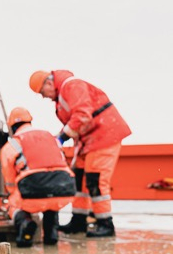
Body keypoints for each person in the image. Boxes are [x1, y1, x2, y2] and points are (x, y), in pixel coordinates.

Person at [29, 69, 132, 237]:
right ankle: (78, 221)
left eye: (42, 92)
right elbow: (77, 120)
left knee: (96, 180)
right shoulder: (65, 93)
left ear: (48, 83)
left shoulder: (72, 86)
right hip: (89, 141)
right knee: (79, 180)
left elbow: (82, 115)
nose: (43, 96)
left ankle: (105, 224)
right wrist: (60, 137)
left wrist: (61, 138)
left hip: (104, 137)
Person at [0, 107, 76, 247]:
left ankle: (25, 224)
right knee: (51, 200)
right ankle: (51, 233)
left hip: (34, 190)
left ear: (12, 126)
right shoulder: (50, 137)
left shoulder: (12, 144)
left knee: (12, 202)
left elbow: (9, 178)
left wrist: (13, 194)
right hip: (64, 188)